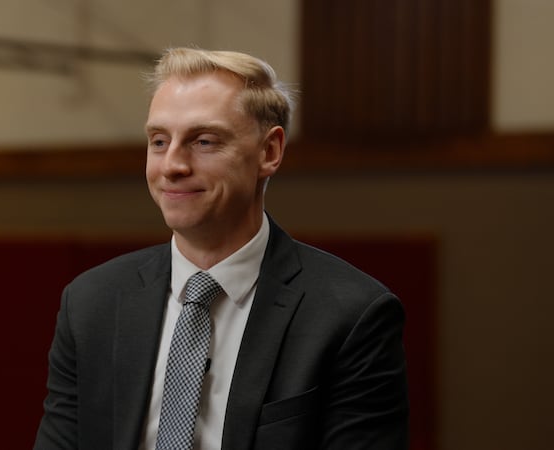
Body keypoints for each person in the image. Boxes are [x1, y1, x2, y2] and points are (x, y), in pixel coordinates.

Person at [33, 47, 408, 449]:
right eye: (159, 141)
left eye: (204, 141)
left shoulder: (351, 315)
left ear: (270, 151)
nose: (172, 165)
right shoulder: (91, 303)